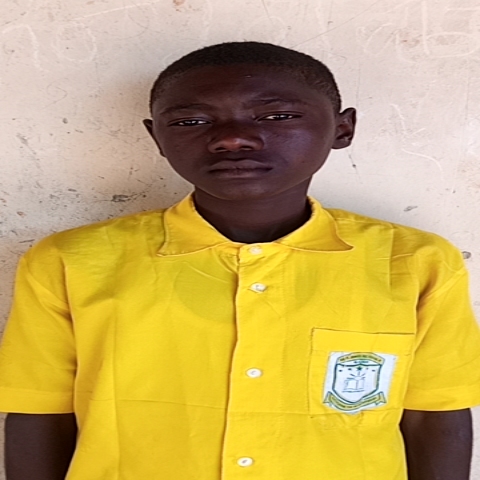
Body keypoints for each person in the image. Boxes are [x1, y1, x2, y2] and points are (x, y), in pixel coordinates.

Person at [1, 41, 480, 480]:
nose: (232, 139)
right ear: (156, 137)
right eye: (190, 122)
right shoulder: (72, 263)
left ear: (343, 128)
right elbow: (39, 414)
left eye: (277, 116)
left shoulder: (415, 264)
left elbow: (434, 416)